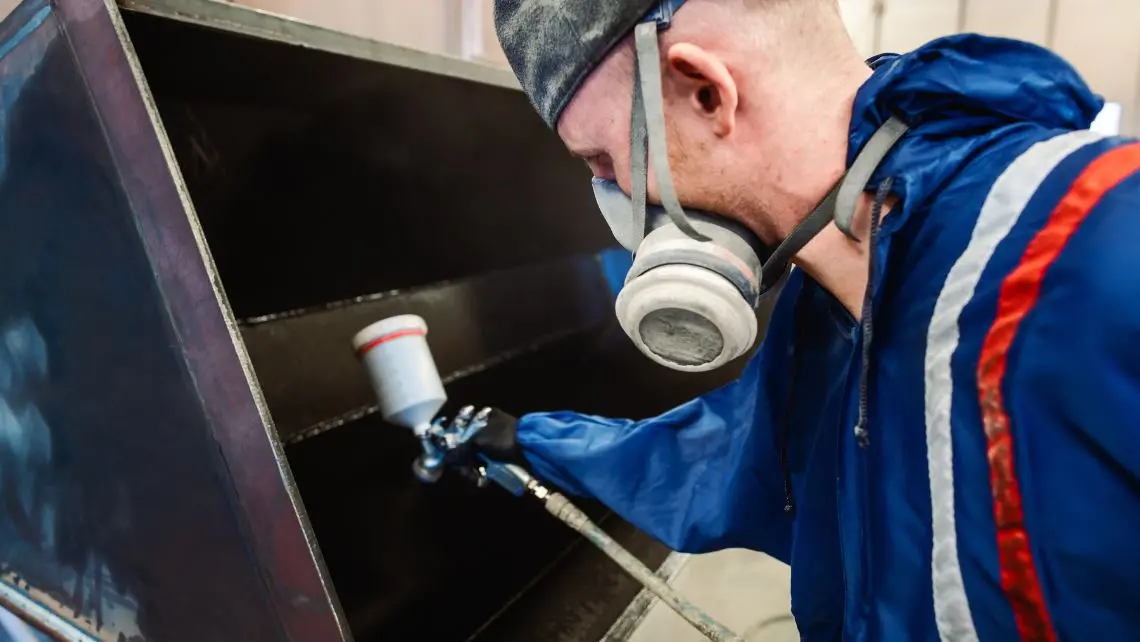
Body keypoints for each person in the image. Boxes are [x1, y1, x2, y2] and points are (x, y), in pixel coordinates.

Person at [448, 1, 1140, 640]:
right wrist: (536, 444)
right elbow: (721, 458)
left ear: (706, 91)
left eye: (604, 161)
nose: (616, 198)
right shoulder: (828, 315)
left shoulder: (1101, 240)